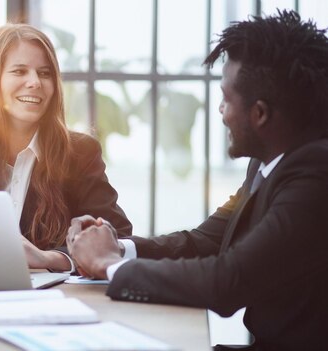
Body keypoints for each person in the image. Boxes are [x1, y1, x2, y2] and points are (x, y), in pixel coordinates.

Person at [67, 10, 328, 350]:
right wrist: (118, 247)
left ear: (260, 113)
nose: (220, 111)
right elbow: (205, 241)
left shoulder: (315, 173)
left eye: (225, 99)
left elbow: (227, 281)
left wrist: (108, 265)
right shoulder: (271, 164)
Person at [0, 23, 132, 272]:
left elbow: (118, 239)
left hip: (61, 300)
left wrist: (50, 259)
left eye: (45, 73)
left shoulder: (80, 154)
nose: (35, 82)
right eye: (19, 71)